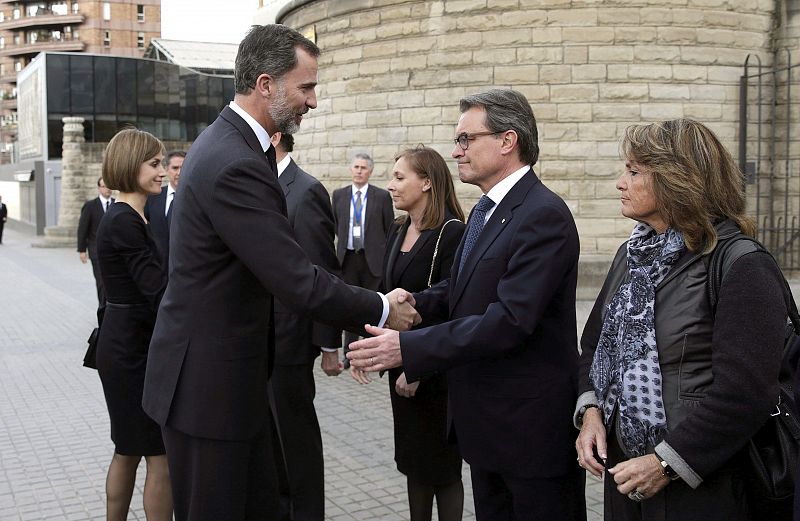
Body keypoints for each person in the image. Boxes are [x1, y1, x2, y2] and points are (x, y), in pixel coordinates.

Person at [141, 24, 418, 521]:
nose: (313, 101)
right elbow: (295, 279)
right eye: (306, 87)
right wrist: (381, 307)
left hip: (226, 384)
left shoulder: (232, 146)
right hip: (210, 392)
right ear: (266, 84)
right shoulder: (235, 161)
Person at [348, 89, 586, 521]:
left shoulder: (543, 214)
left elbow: (509, 320)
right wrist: (408, 304)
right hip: (487, 428)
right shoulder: (484, 211)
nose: (455, 152)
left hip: (528, 433)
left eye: (465, 140)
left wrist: (410, 348)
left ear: (507, 141)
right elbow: (456, 289)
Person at [574, 118, 787, 520]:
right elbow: (593, 346)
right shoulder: (632, 255)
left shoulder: (741, 263)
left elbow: (745, 391)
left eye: (634, 172)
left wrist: (667, 463)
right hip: (627, 473)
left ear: (678, 181)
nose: (621, 182)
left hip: (702, 482)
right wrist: (591, 414)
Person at [351, 145, 466, 521]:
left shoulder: (452, 233)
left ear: (428, 183)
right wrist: (368, 348)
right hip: (400, 369)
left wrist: (419, 367)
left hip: (433, 373)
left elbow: (453, 306)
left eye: (400, 178)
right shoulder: (399, 227)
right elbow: (387, 298)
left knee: (442, 470)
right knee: (414, 465)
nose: (391, 185)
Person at [95, 128, 172, 521]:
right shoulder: (125, 220)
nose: (163, 172)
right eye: (155, 164)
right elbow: (157, 290)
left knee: (128, 448)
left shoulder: (130, 215)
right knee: (158, 454)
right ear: (130, 165)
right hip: (131, 351)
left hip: (127, 345)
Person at [271, 131, 342, 521]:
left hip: (291, 345)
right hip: (259, 344)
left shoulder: (307, 191)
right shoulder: (260, 187)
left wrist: (329, 344)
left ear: (275, 139)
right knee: (271, 450)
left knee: (295, 447)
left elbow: (323, 271)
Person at [333, 153, 394, 367]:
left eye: (364, 168)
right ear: (351, 169)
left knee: (371, 307)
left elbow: (390, 229)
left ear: (370, 172)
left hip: (373, 262)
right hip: (348, 258)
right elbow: (336, 224)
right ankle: (350, 355)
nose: (359, 171)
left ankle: (370, 355)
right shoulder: (339, 195)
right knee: (349, 307)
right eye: (356, 166)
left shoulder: (381, 197)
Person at [144, 150, 185, 268]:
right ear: (166, 169)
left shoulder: (197, 198)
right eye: (175, 168)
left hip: (187, 269)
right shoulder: (152, 198)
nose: (179, 172)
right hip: (157, 267)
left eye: (183, 167)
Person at [78, 177, 114, 306]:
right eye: (104, 186)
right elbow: (83, 228)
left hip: (115, 253)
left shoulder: (117, 204)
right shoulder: (90, 206)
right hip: (96, 252)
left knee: (112, 283)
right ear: (99, 188)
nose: (107, 189)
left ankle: (110, 310)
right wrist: (82, 250)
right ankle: (102, 310)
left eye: (109, 186)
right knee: (101, 283)